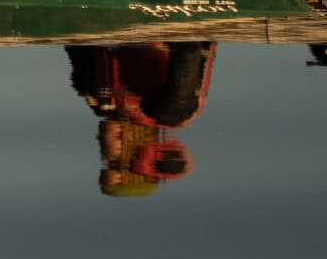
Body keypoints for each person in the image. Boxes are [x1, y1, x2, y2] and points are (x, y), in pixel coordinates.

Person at [65, 40, 216, 197]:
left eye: (108, 162)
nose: (104, 152)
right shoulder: (172, 111)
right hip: (160, 26)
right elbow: (189, 47)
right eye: (116, 162)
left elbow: (74, 41)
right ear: (131, 159)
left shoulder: (100, 102)